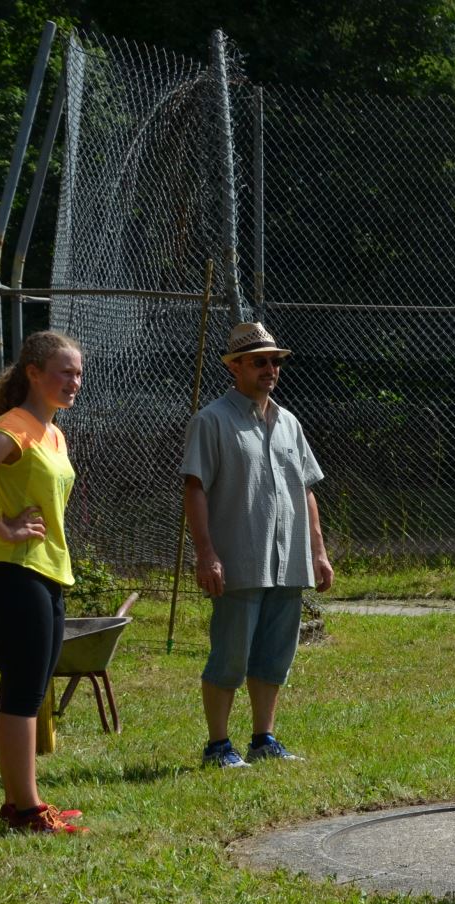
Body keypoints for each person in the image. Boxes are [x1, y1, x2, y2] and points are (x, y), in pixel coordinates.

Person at [0, 330, 87, 833]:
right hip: (14, 570)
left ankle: (22, 803)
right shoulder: (16, 427)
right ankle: (25, 811)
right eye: (64, 371)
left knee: (31, 686)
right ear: (33, 373)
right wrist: (3, 527)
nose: (75, 381)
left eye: (77, 372)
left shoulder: (53, 432)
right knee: (24, 691)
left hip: (46, 571)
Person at [180, 321, 333, 769]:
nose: (270, 369)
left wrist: (318, 552)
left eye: (275, 361)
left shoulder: (288, 422)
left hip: (289, 560)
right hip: (239, 558)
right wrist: (206, 553)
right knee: (230, 653)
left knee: (274, 655)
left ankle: (263, 739)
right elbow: (195, 489)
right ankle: (218, 747)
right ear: (236, 368)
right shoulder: (211, 420)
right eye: (259, 361)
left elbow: (306, 488)